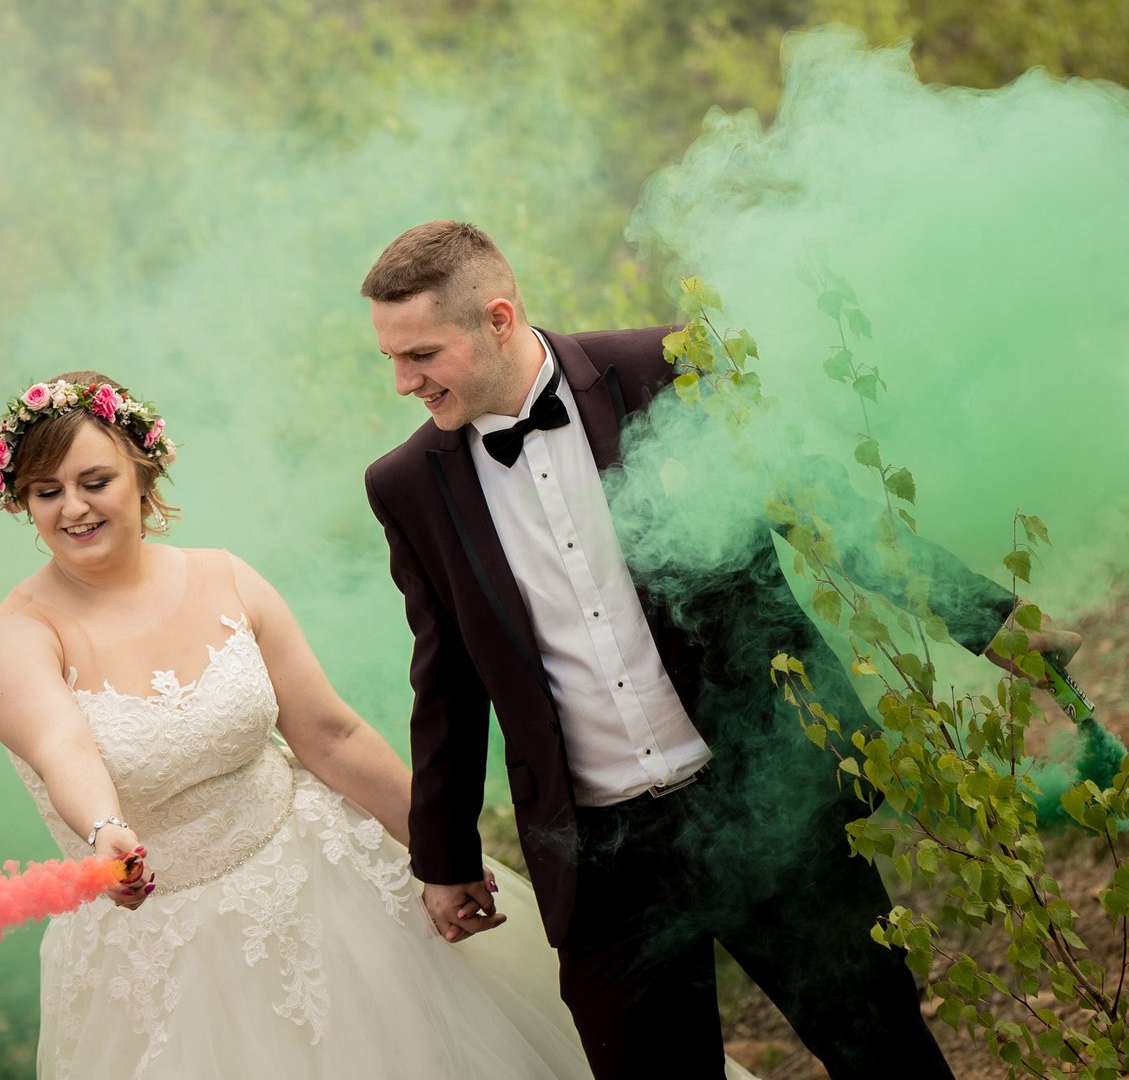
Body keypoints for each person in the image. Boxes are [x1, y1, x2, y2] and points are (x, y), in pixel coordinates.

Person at [359, 220, 1082, 1079]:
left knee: (886, 1058)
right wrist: (445, 858)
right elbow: (445, 676)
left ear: (499, 319)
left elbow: (820, 511)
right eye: (391, 358)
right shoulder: (405, 486)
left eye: (422, 355)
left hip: (763, 803)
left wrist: (988, 620)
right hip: (602, 865)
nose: (403, 382)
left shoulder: (666, 371)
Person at [0, 371, 714, 1078]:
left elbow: (330, 735)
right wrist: (104, 829)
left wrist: (440, 855)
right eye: (47, 491)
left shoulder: (225, 578)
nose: (73, 508)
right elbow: (63, 745)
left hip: (324, 888)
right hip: (155, 950)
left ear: (142, 473)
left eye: (94, 481)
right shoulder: (18, 637)